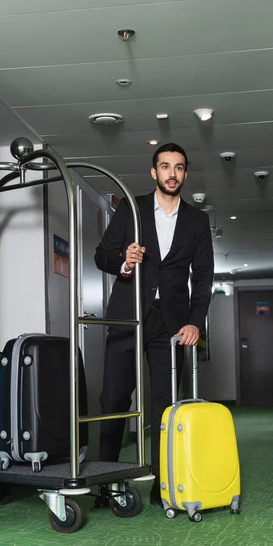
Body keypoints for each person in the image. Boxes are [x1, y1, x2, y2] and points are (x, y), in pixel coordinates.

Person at [94, 143, 214, 504]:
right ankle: (106, 481)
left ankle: (163, 483)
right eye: (165, 167)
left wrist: (196, 322)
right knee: (114, 398)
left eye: (178, 167)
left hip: (172, 325)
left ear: (185, 173)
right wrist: (125, 261)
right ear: (154, 172)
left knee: (165, 405)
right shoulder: (132, 209)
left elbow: (204, 277)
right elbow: (102, 255)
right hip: (128, 316)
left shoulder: (197, 220)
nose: (172, 174)